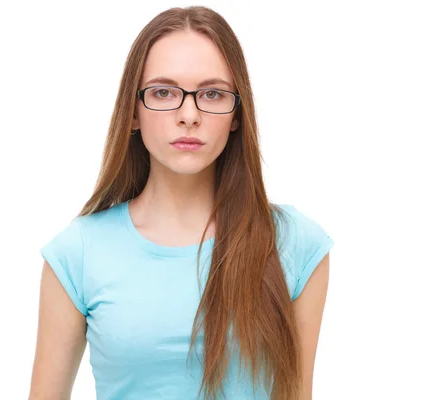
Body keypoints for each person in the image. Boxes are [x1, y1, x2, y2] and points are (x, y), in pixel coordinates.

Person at [29, 5, 333, 400]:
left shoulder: (296, 243)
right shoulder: (77, 254)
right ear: (133, 113)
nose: (188, 114)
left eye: (211, 93)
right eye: (163, 92)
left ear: (236, 114)